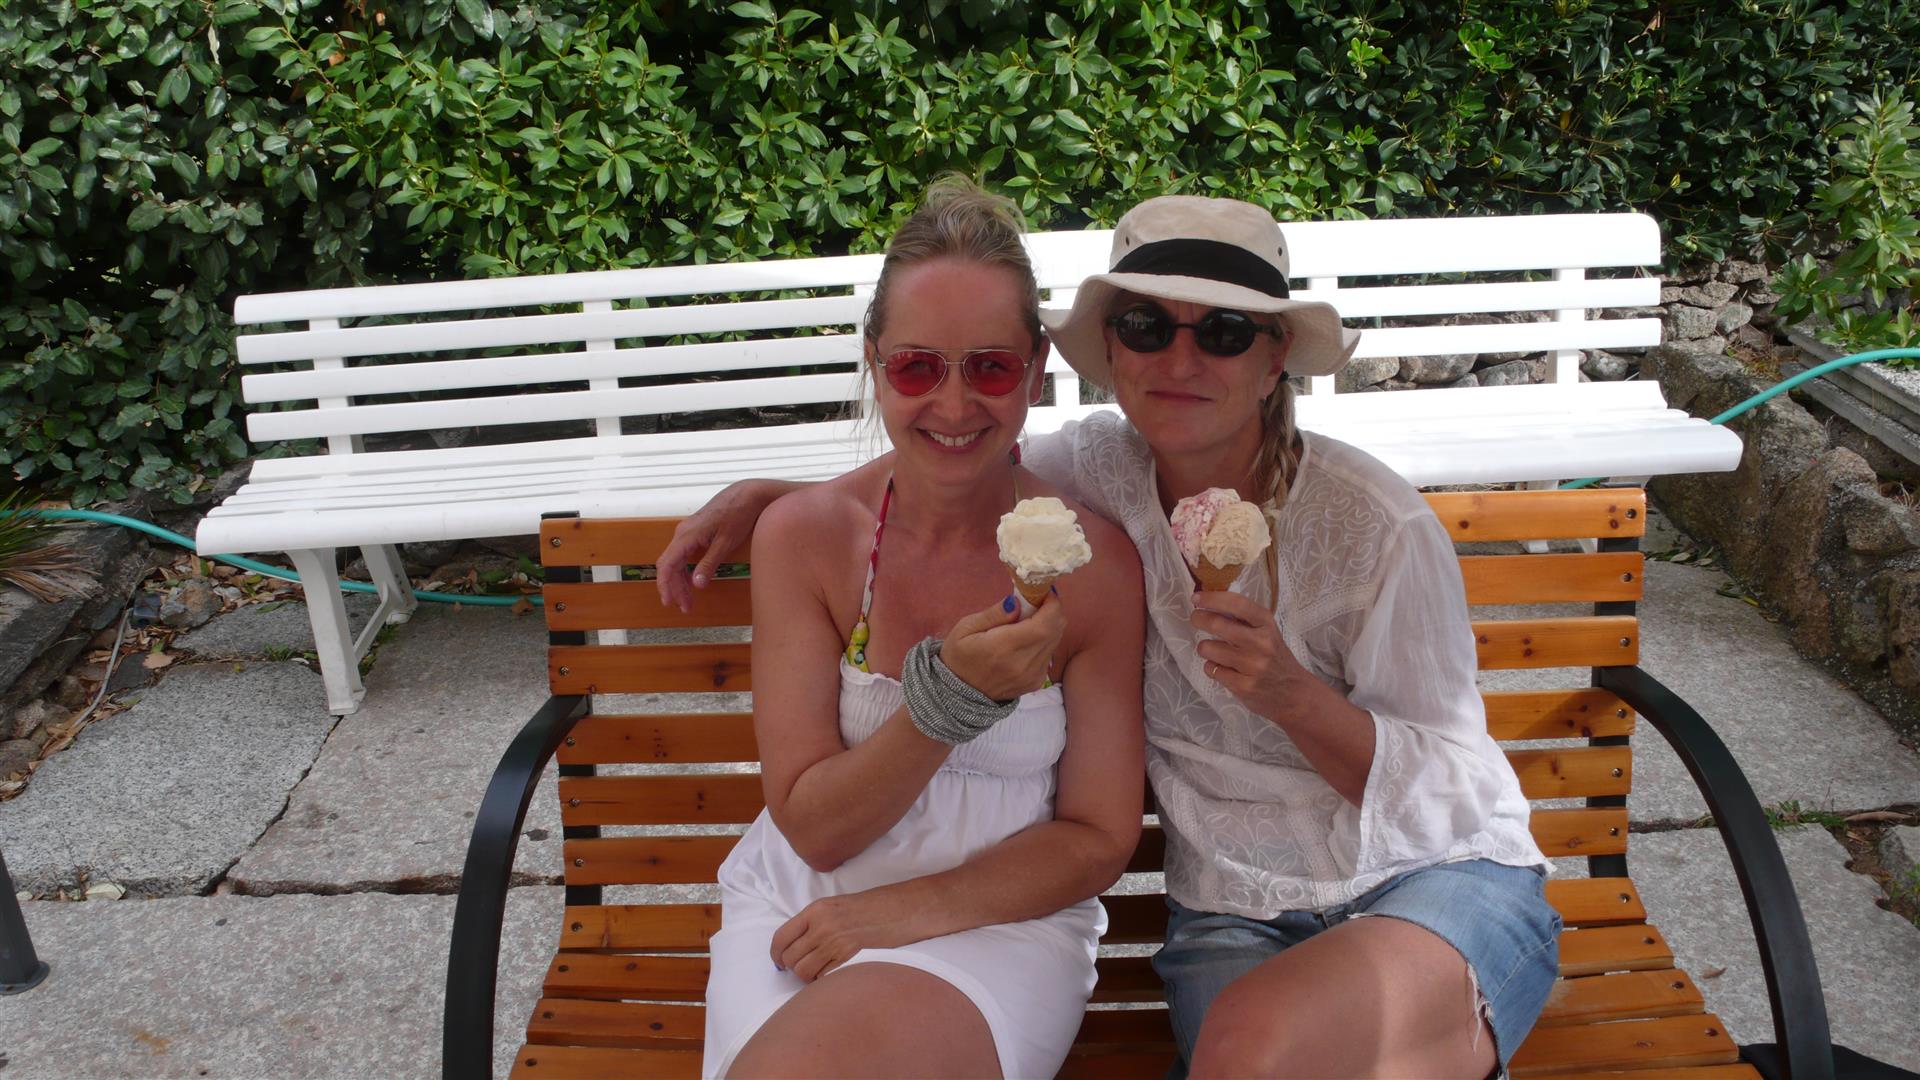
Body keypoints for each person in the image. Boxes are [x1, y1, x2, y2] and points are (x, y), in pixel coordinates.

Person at [665, 194, 1562, 1079]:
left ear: (1275, 356)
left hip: (1427, 875)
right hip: (1238, 909)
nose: (1180, 358)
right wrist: (771, 499)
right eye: (1145, 326)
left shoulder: (1375, 527)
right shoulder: (1098, 474)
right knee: (1256, 1053)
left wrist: (1293, 697)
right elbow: (947, 459)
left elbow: (1454, 793)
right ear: (1112, 349)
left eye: (1224, 332)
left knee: (1259, 1050)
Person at [698, 178, 1146, 1080]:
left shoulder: (1091, 564)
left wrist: (895, 914)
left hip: (997, 921)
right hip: (799, 903)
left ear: (1036, 373)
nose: (953, 403)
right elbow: (815, 831)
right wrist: (952, 702)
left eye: (990, 367)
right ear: (875, 364)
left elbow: (1098, 834)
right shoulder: (809, 540)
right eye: (916, 367)